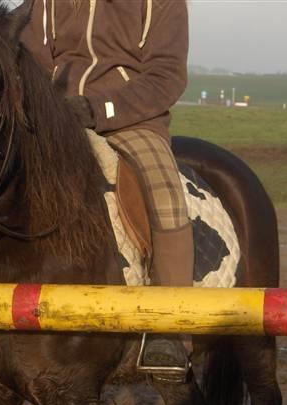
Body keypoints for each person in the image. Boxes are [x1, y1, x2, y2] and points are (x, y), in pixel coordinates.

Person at [21, 0, 193, 373]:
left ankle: (172, 332)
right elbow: (30, 56)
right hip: (54, 119)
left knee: (165, 192)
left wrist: (100, 108)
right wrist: (48, 108)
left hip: (132, 121)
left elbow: (167, 75)